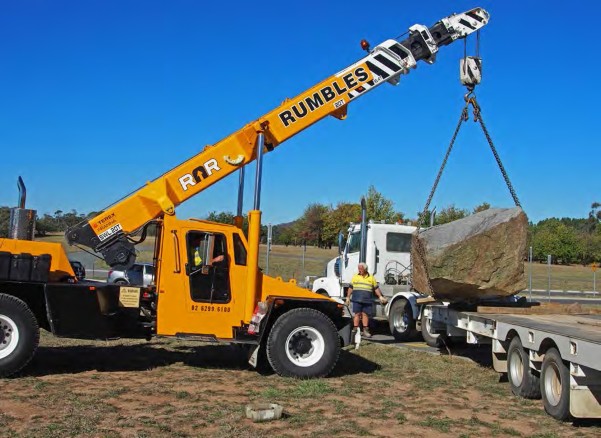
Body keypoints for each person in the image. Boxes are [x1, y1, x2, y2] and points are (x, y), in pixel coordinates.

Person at [345, 262, 388, 338]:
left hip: (367, 300)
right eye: (358, 269)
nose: (359, 270)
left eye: (361, 269)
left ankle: (365, 330)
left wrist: (380, 296)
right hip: (357, 300)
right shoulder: (355, 277)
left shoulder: (371, 277)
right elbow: (350, 288)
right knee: (357, 314)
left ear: (365, 269)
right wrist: (348, 297)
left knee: (365, 315)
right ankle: (355, 330)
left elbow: (376, 288)